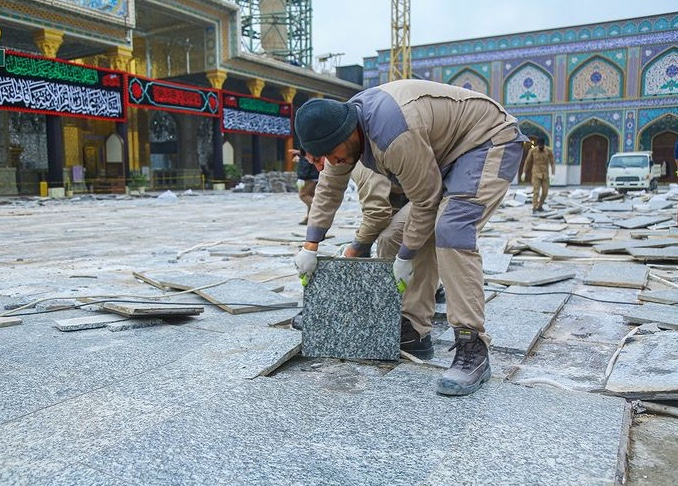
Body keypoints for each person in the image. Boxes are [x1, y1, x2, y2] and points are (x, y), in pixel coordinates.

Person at [293, 79, 527, 396]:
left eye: (332, 155)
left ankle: (472, 346)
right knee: (392, 235)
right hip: (441, 160)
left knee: (451, 229)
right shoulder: (339, 136)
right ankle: (414, 329)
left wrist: (407, 258)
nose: (332, 163)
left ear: (349, 134)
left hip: (486, 142)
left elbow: (426, 202)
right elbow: (328, 191)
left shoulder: (392, 133)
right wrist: (310, 247)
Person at [522, 137, 555, 213]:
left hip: (545, 174)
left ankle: (540, 206)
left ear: (543, 145)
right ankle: (534, 207)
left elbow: (552, 163)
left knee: (545, 192)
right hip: (536, 174)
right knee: (536, 191)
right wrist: (524, 172)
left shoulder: (549, 151)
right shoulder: (533, 151)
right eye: (539, 145)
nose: (540, 147)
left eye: (541, 146)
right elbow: (527, 162)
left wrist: (553, 174)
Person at [292, 148, 320, 225]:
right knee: (310, 196)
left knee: (303, 195)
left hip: (309, 176)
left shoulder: (306, 145)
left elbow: (305, 163)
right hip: (314, 174)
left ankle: (319, 208)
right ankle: (310, 218)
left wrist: (301, 177)